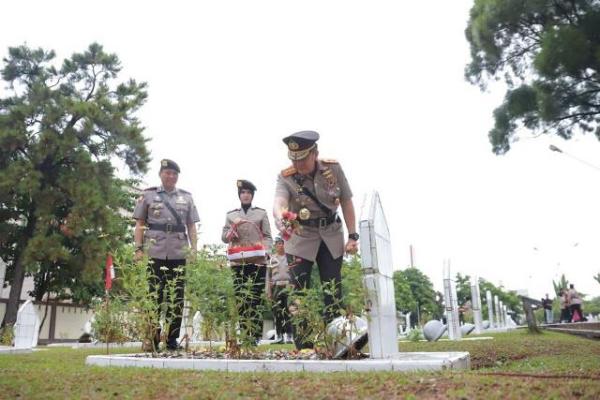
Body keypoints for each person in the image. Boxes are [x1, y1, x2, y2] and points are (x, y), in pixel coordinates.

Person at [273, 130, 359, 349]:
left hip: (330, 234)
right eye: (294, 159)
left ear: (315, 153)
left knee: (333, 289)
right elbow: (279, 202)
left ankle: (337, 341)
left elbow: (347, 201)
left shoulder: (333, 169)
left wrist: (352, 236)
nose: (298, 163)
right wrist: (280, 216)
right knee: (298, 290)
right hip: (300, 237)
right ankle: (304, 345)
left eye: (302, 158)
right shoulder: (286, 176)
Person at [133, 159, 199, 351]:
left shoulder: (186, 197)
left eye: (174, 174)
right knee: (154, 296)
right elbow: (140, 224)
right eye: (167, 173)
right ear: (161, 174)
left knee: (176, 297)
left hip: (179, 252)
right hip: (154, 251)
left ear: (177, 177)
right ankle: (152, 339)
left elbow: (191, 226)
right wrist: (138, 249)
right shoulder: (148, 195)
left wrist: (193, 250)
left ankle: (171, 340)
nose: (171, 176)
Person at [222, 180, 273, 344]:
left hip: (258, 260)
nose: (246, 195)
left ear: (252, 196)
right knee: (241, 298)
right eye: (243, 192)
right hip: (239, 261)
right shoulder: (231, 215)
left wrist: (267, 251)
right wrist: (232, 228)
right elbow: (224, 237)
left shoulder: (261, 213)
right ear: (239, 195)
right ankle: (244, 334)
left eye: (249, 193)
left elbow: (267, 236)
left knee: (256, 297)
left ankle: (255, 336)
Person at [267, 236, 294, 344]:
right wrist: (268, 291)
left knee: (288, 311)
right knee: (277, 312)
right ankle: (279, 336)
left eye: (282, 243)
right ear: (275, 246)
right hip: (276, 287)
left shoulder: (290, 258)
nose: (280, 245)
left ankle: (289, 336)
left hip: (288, 286)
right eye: (278, 244)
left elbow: (294, 273)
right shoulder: (272, 258)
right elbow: (268, 277)